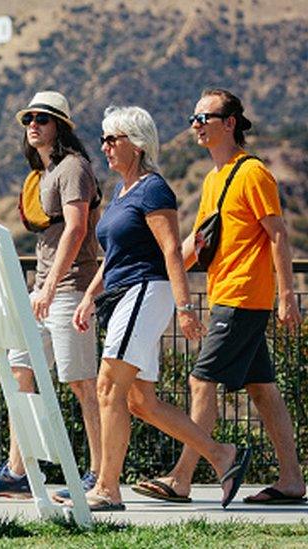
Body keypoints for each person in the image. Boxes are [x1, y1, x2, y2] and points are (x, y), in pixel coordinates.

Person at [70, 106, 251, 511]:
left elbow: (171, 249)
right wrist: (88, 296)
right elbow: (115, 258)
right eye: (103, 139)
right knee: (139, 402)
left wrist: (185, 307)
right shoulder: (120, 191)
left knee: (107, 387)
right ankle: (223, 455)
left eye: (112, 139)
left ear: (136, 144)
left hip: (145, 293)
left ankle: (107, 488)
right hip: (122, 295)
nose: (105, 146)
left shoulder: (154, 189)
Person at [134, 89, 306, 505]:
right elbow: (200, 240)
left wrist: (288, 295)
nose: (196, 124)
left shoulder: (253, 173)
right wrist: (162, 268)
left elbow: (278, 233)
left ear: (229, 123)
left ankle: (182, 477)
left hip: (244, 294)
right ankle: (292, 480)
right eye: (194, 117)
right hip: (227, 292)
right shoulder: (215, 178)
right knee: (263, 389)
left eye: (204, 117)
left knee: (200, 380)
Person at [0, 91, 102, 501]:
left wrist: (48, 286)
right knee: (20, 372)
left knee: (81, 383)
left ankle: (99, 473)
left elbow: (77, 230)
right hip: (42, 289)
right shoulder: (44, 175)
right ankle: (18, 470)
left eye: (43, 118)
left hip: (69, 288)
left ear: (60, 126)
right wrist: (39, 288)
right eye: (29, 119)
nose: (33, 125)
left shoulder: (74, 169)